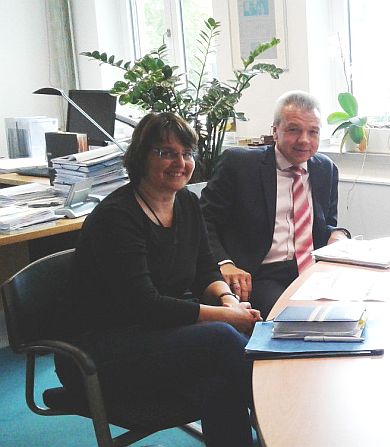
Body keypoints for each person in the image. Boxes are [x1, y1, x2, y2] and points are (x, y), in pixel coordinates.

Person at [55, 112, 262, 446]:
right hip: (101, 351)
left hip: (156, 336)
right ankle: (289, 422)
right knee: (221, 336)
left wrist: (228, 300)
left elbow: (205, 268)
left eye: (186, 153)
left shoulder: (187, 203)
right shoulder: (117, 217)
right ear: (141, 157)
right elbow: (146, 305)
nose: (180, 162)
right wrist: (227, 317)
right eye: (166, 153)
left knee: (219, 382)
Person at [201, 91, 349, 316]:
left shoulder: (325, 169)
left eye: (313, 132)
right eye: (294, 130)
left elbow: (323, 224)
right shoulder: (239, 165)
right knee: (298, 317)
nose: (304, 140)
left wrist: (337, 234)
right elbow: (204, 221)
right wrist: (225, 263)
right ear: (275, 131)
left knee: (354, 308)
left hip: (313, 271)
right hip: (260, 274)